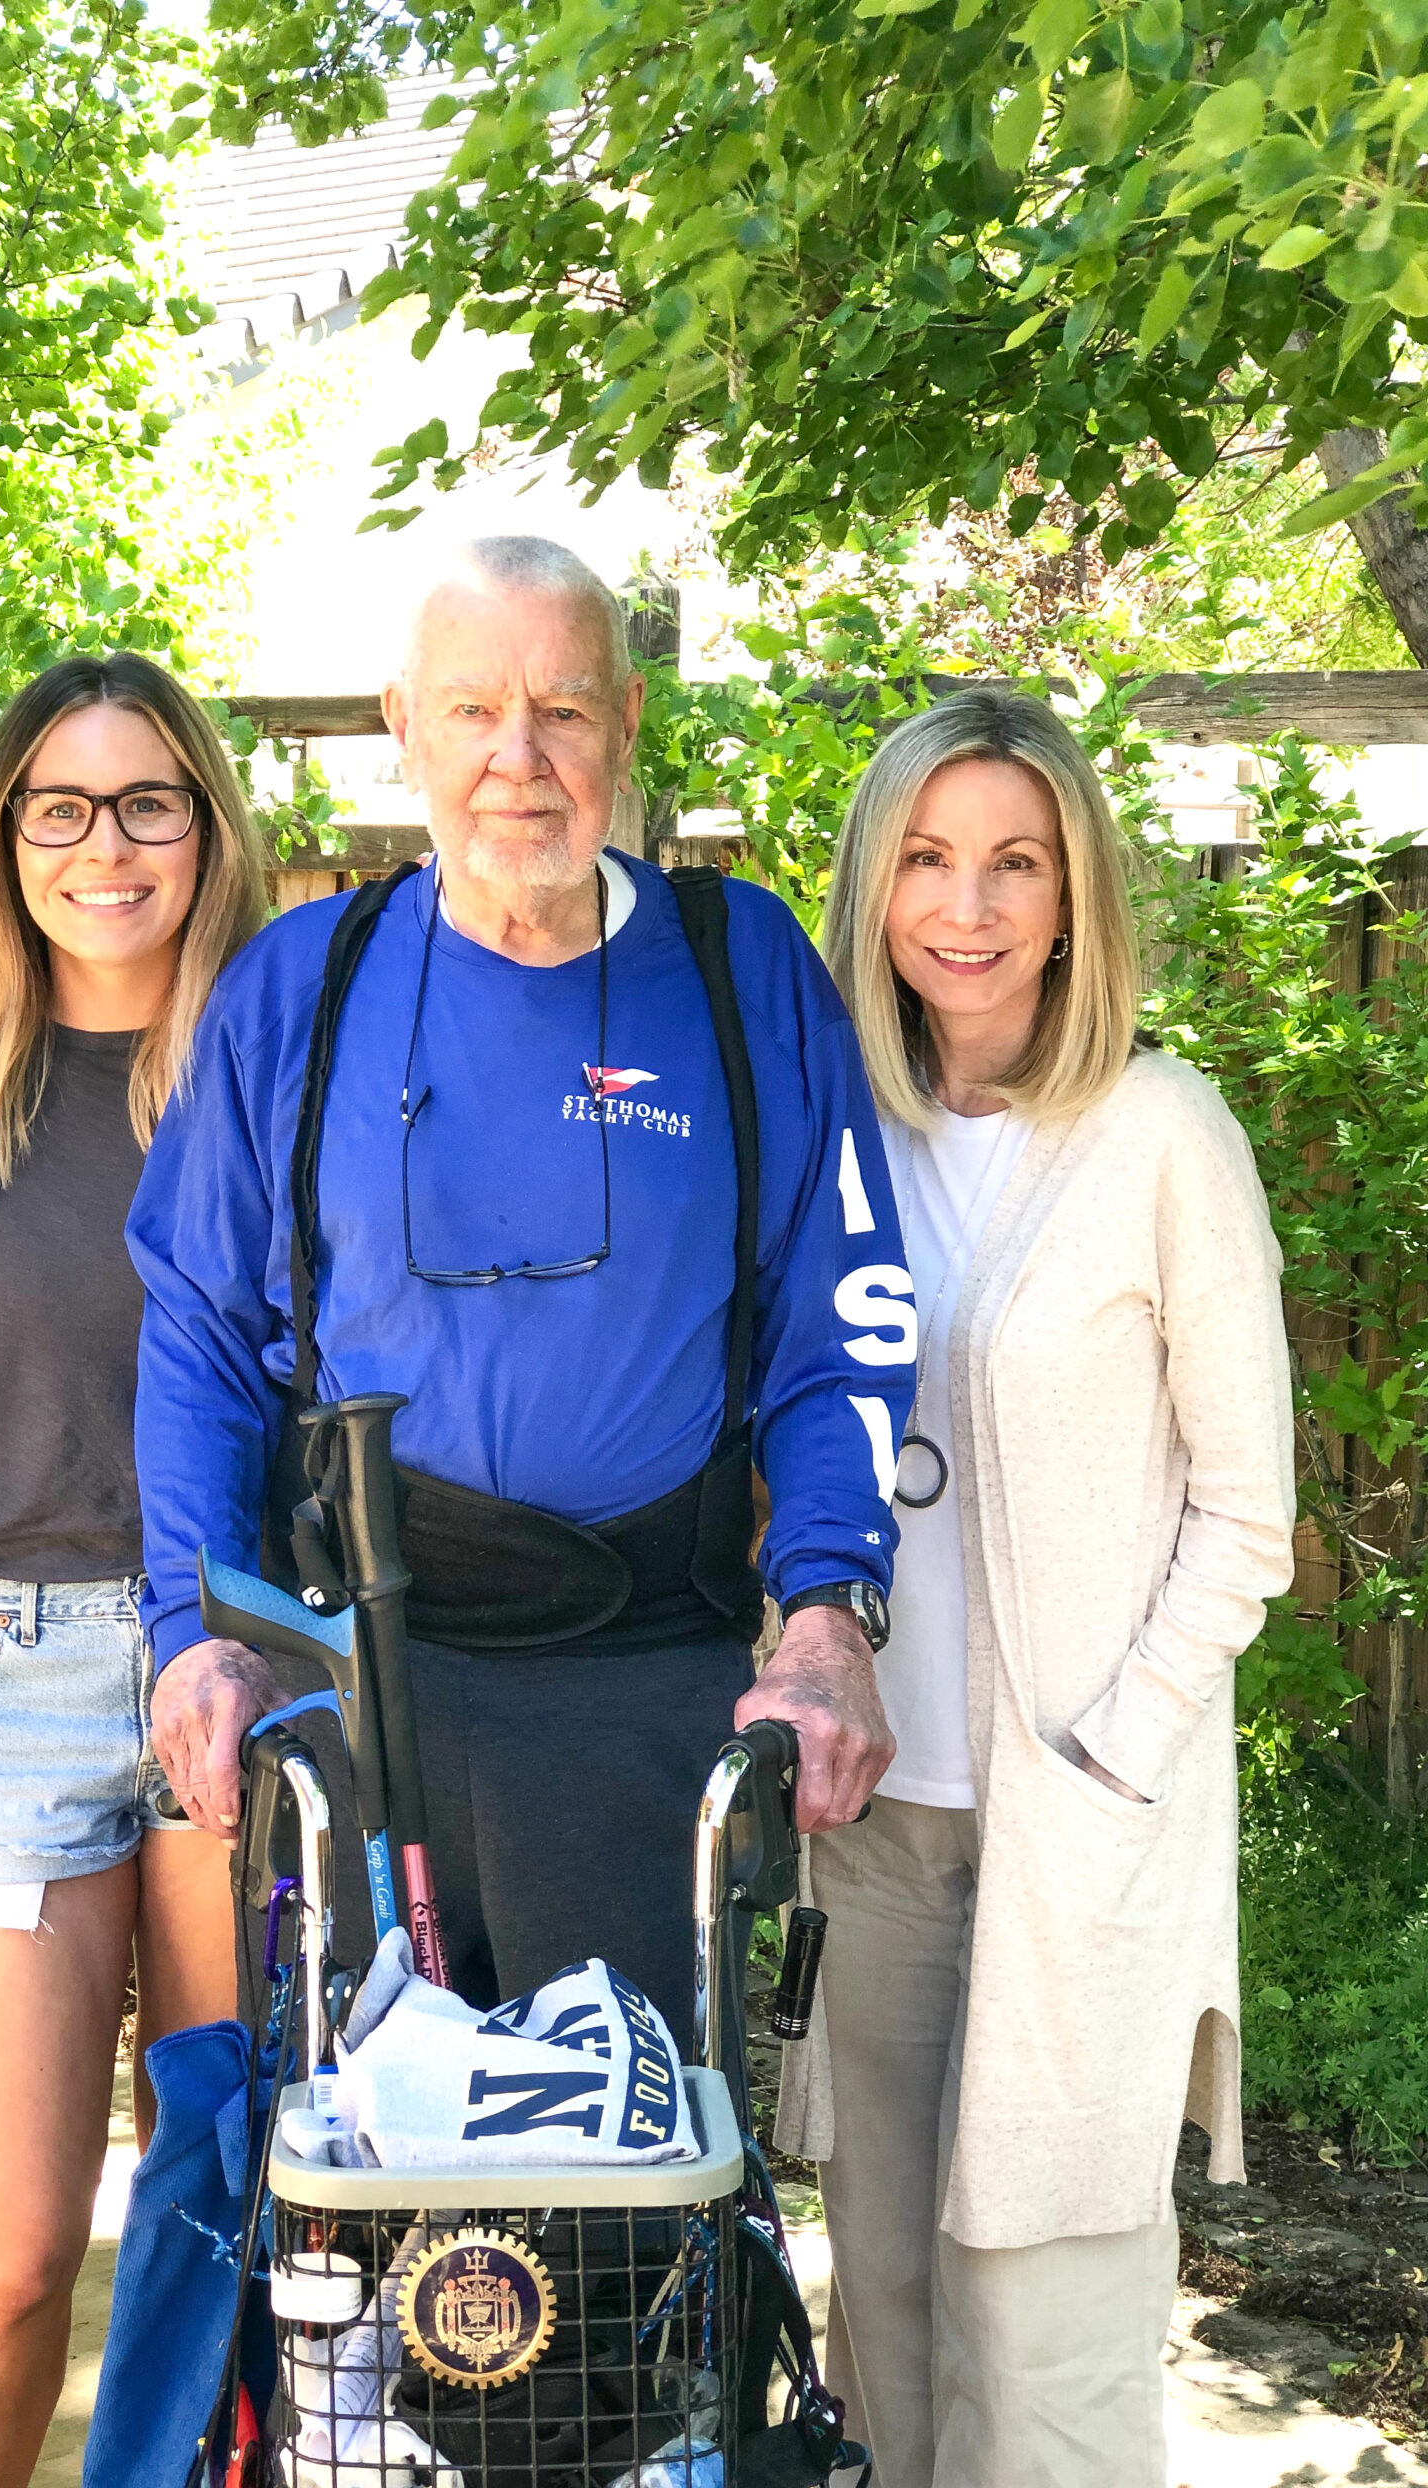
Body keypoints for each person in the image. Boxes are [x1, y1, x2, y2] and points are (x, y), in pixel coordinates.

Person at [126, 535, 918, 2046]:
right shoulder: (300, 986)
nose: (519, 756)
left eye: (562, 709)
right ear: (400, 723)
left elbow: (846, 1327)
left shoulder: (744, 969)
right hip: (355, 1683)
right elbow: (199, 1340)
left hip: (643, 1681)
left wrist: (828, 1616)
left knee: (634, 2209)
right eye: (474, 709)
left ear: (625, 724)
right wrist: (187, 1627)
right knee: (363, 2229)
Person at [777, 691, 1297, 2488]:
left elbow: (1250, 1516)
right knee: (891, 2309)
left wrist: (1107, 1751)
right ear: (876, 882)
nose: (967, 904)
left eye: (1014, 861)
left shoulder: (1167, 1137)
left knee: (1051, 2316)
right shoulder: (844, 1136)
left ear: (1074, 898)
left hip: (1082, 1834)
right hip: (882, 1822)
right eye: (926, 856)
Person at [0, 654, 263, 2488]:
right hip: (2, 1665)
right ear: (6, 836)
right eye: (59, 808)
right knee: (19, 2246)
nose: (104, 848)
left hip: (236, 1671)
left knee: (210, 2195)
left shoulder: (283, 1064)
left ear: (206, 824)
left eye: (146, 805)